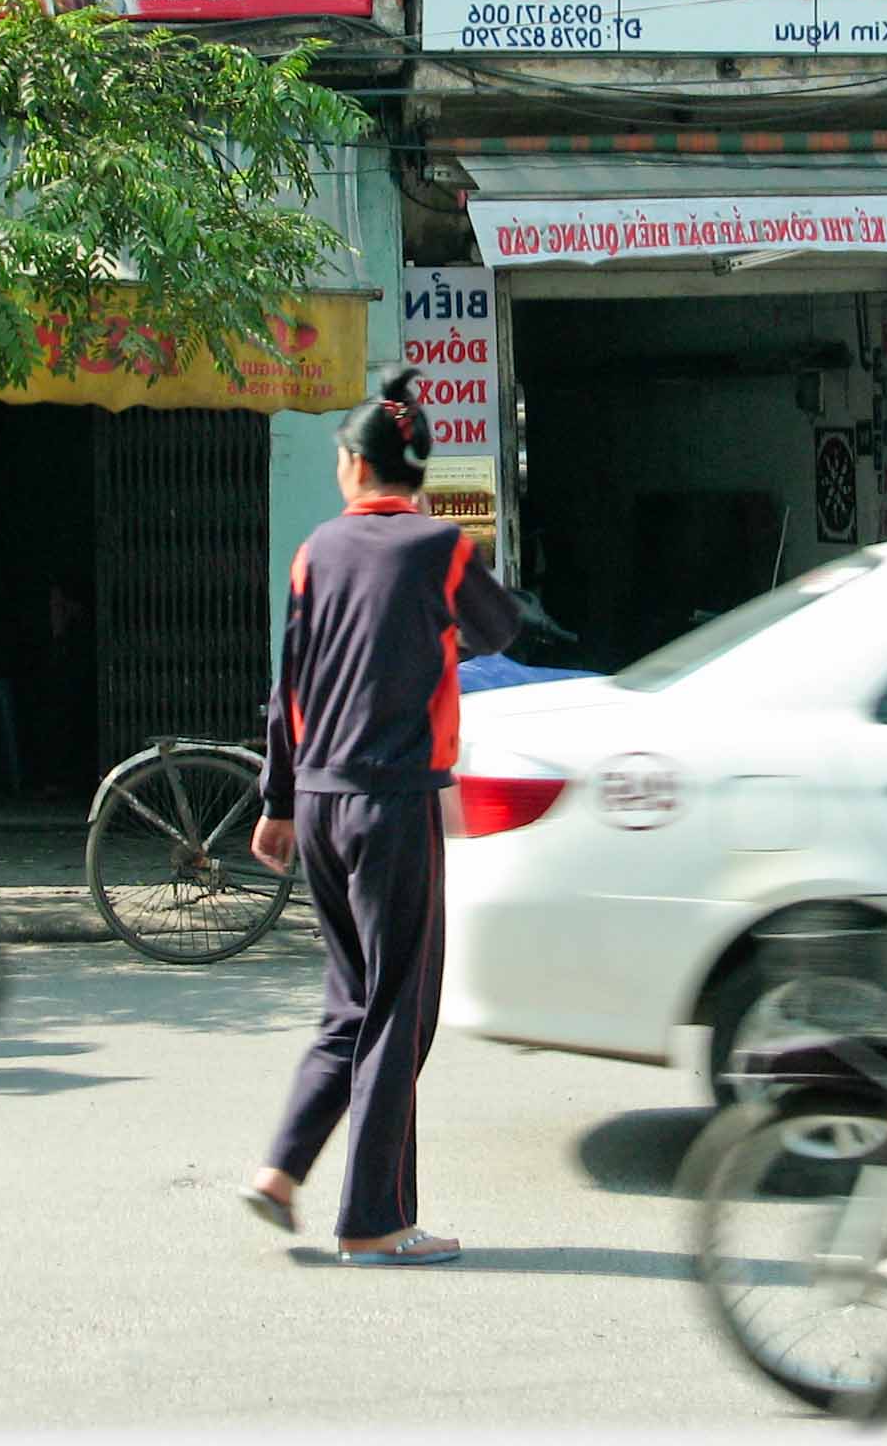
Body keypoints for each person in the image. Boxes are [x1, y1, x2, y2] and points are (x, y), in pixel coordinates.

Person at [240, 366, 523, 1266]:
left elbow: (289, 685)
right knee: (398, 1009)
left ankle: (280, 1172)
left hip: (319, 801)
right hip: (395, 803)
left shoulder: (315, 551)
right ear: (415, 473)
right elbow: (501, 629)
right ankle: (375, 1218)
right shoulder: (441, 549)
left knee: (349, 1002)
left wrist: (277, 802)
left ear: (361, 466)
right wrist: (438, 631)